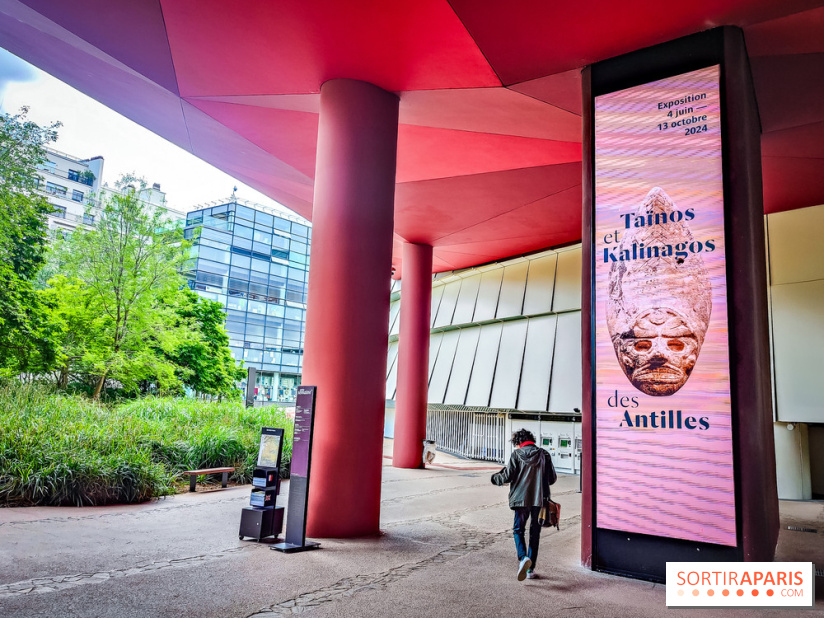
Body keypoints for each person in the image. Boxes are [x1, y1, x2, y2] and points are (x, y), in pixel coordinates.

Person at [492, 428, 556, 581]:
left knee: (518, 530)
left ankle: (523, 558)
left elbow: (507, 476)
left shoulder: (516, 455)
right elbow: (552, 479)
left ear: (518, 442)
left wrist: (495, 478)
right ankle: (530, 570)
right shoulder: (544, 454)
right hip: (539, 500)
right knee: (535, 533)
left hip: (521, 501)